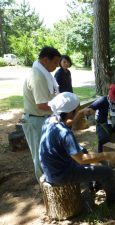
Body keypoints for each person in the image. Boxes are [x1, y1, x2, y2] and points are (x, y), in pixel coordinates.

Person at [39, 92, 115, 205]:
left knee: (84, 150)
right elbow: (82, 159)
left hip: (51, 167)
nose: (79, 110)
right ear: (70, 112)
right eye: (78, 108)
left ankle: (93, 183)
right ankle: (113, 200)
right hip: (60, 174)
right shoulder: (65, 133)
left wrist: (81, 113)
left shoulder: (50, 120)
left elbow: (68, 122)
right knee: (108, 172)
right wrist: (107, 155)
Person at [22, 46, 61, 181]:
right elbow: (42, 105)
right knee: (40, 154)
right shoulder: (37, 76)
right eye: (55, 62)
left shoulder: (43, 73)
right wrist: (62, 109)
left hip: (43, 118)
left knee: (47, 151)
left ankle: (49, 179)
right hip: (36, 120)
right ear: (45, 60)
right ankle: (45, 183)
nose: (57, 66)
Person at [76, 84, 115, 152]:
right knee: (103, 139)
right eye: (111, 96)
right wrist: (90, 114)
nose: (112, 98)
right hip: (103, 124)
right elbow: (90, 108)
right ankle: (101, 155)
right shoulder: (102, 100)